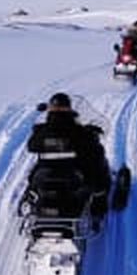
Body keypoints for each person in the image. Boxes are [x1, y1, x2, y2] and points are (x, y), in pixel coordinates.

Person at [26, 93, 111, 224]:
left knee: (36, 171)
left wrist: (42, 135)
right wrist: (92, 134)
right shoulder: (80, 132)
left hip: (46, 176)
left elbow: (32, 146)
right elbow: (94, 151)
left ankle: (31, 195)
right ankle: (99, 199)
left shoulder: (42, 131)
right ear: (69, 109)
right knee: (97, 160)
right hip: (72, 178)